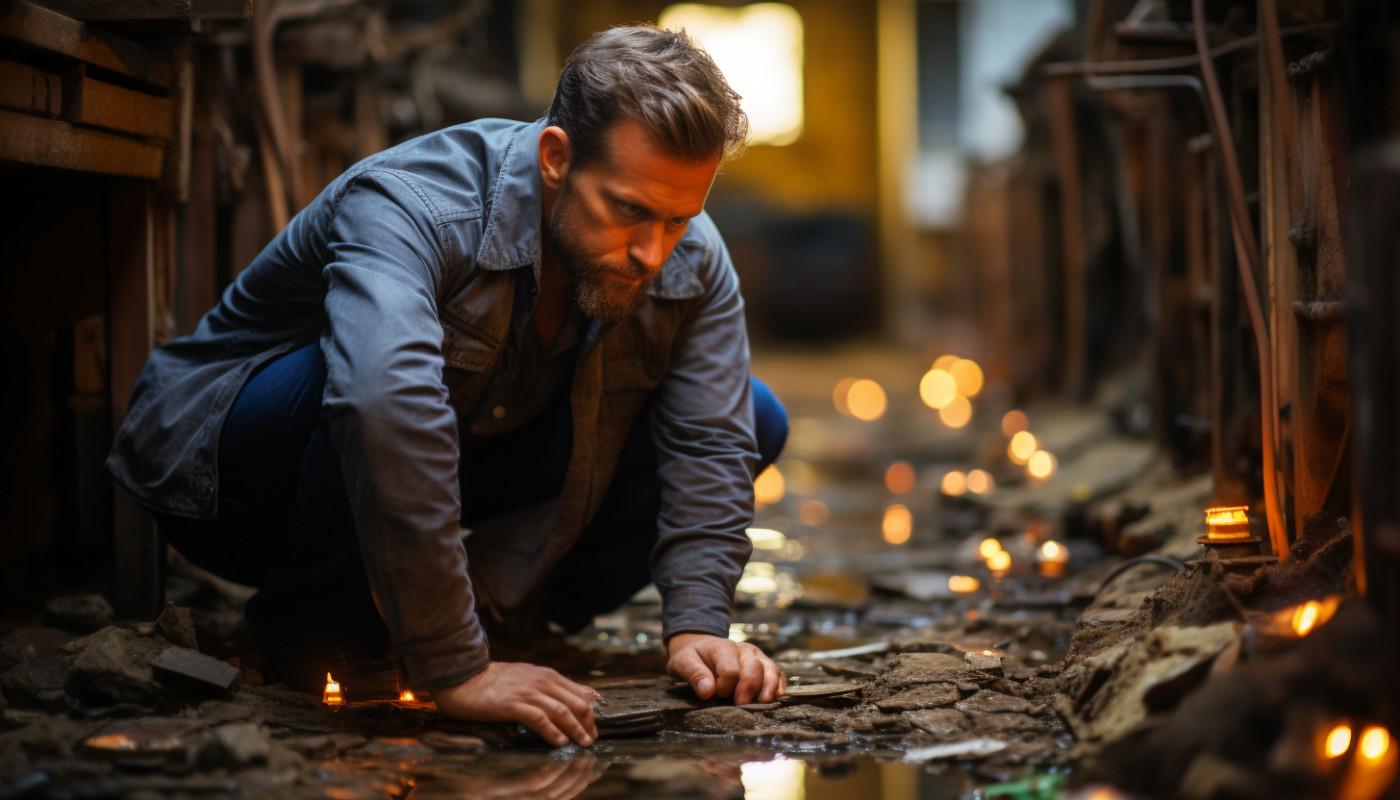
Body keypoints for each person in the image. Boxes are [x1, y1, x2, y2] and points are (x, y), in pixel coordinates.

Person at [106, 24, 788, 747]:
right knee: (367, 374)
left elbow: (710, 443)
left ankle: (487, 610)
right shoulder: (413, 204)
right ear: (555, 157)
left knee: (755, 416)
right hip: (229, 478)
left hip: (452, 450)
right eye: (628, 210)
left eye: (679, 218)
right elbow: (383, 405)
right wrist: (454, 669)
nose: (655, 251)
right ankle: (317, 626)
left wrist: (696, 628)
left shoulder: (691, 255)